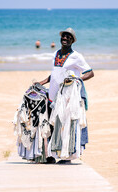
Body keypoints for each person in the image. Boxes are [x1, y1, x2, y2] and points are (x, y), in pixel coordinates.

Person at [37, 27, 94, 164]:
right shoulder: (56, 54)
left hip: (66, 97)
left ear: (72, 40)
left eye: (69, 37)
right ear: (61, 38)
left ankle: (67, 157)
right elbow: (56, 73)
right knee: (51, 126)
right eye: (64, 36)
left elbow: (90, 72)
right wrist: (43, 82)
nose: (66, 38)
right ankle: (50, 156)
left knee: (66, 126)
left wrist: (78, 80)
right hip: (52, 97)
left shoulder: (76, 56)